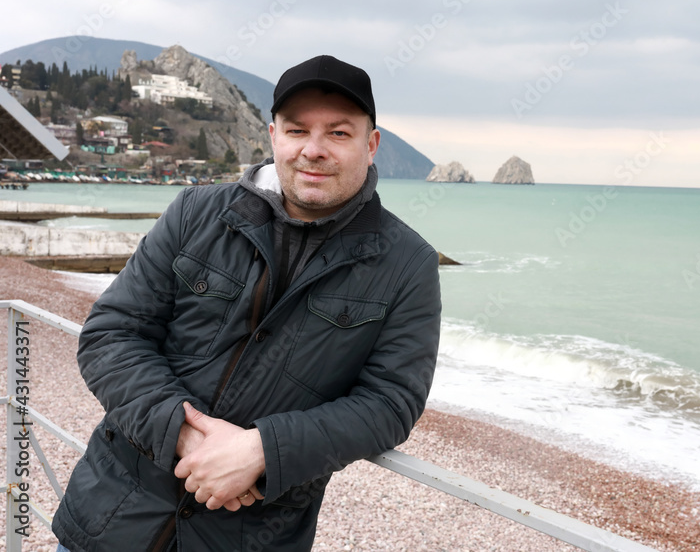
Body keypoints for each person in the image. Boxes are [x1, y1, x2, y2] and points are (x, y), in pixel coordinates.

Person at [52, 55, 442, 552]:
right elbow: (112, 334)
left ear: (371, 145)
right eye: (297, 130)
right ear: (274, 136)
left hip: (251, 535)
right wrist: (185, 437)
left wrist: (261, 450)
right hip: (109, 519)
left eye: (338, 134)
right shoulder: (196, 213)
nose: (314, 150)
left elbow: (391, 402)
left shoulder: (407, 264)